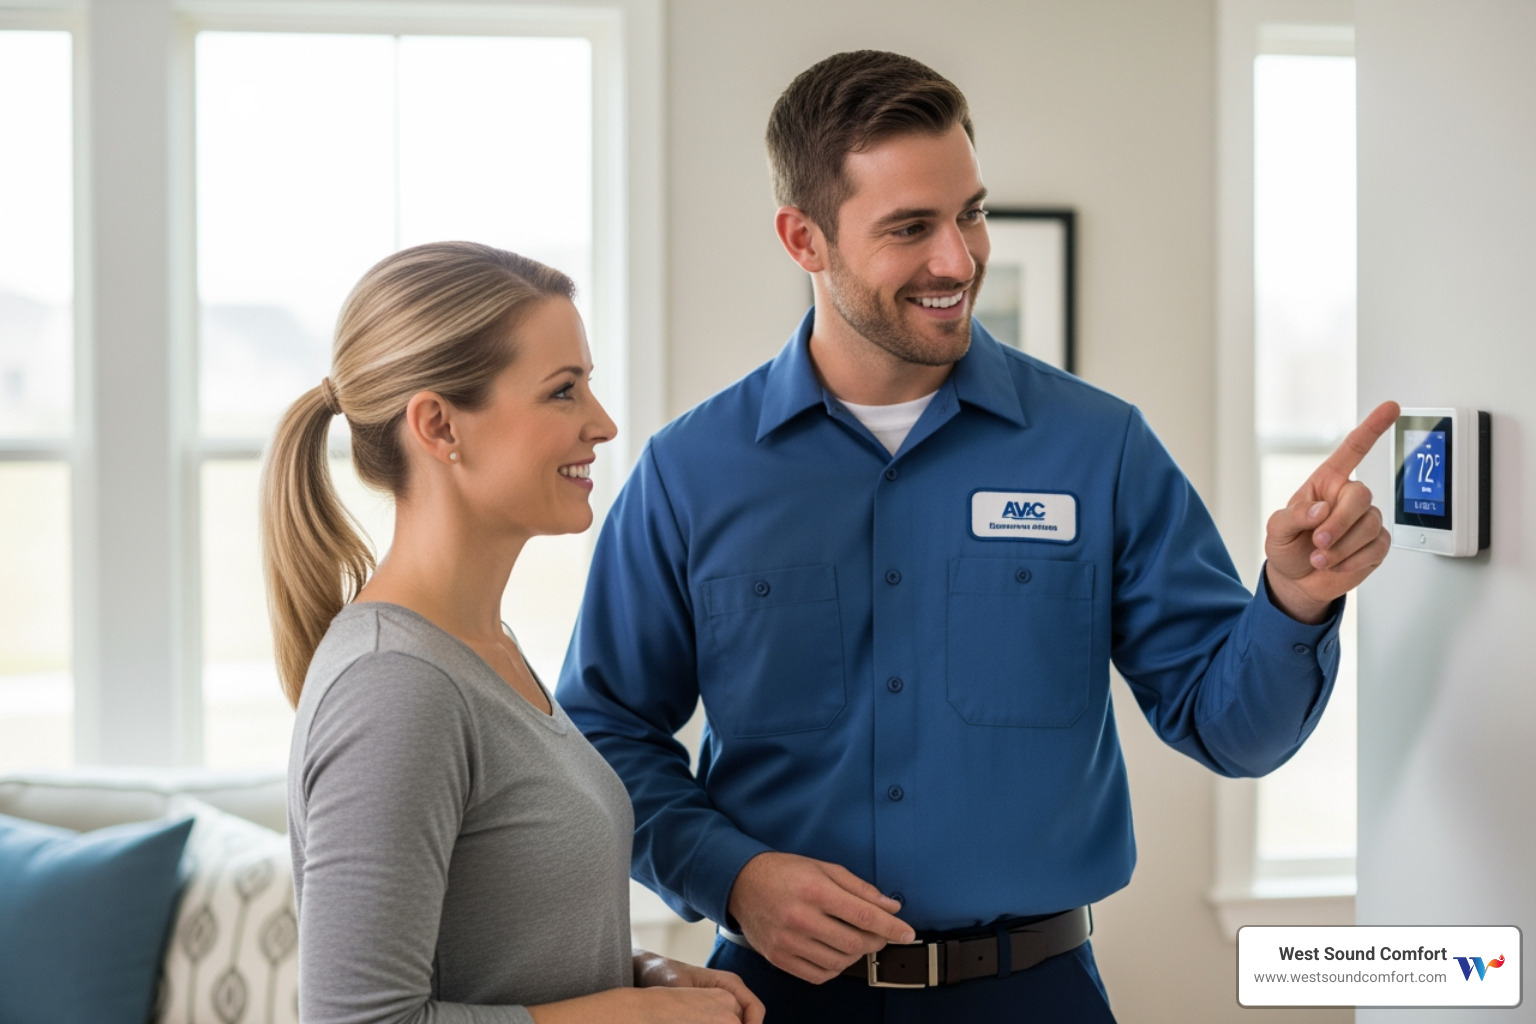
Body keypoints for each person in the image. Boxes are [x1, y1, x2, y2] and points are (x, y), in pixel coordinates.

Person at [555, 51, 1398, 1022]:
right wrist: (732, 875)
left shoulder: (1100, 446)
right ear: (804, 239)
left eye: (971, 213)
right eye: (911, 228)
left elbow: (1231, 728)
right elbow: (604, 731)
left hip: (1036, 995)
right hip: (774, 1001)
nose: (959, 259)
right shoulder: (690, 471)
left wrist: (1294, 598)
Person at [260, 241, 764, 1024]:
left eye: (588, 385)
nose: (601, 423)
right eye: (563, 392)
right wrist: (628, 1020)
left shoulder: (484, 649)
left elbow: (494, 948)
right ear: (438, 425)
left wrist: (641, 976)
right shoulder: (395, 685)